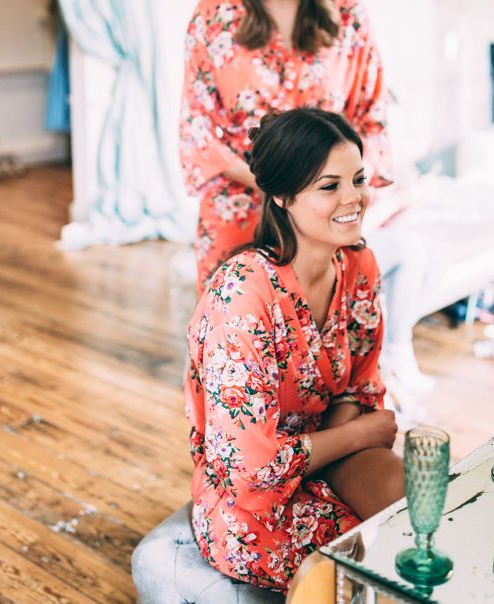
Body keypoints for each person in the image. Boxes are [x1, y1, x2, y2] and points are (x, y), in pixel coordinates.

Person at [184, 108, 403, 593]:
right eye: (329, 186)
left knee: (425, 515)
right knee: (369, 562)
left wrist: (349, 435)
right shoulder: (241, 296)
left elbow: (363, 387)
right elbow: (249, 472)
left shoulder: (359, 264)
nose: (353, 198)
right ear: (282, 196)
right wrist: (355, 436)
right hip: (249, 505)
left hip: (329, 450)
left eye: (358, 179)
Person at [179, 0, 392, 296]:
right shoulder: (214, 14)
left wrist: (337, 186)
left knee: (325, 327)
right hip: (240, 201)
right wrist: (279, 186)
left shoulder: (347, 12)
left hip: (325, 208)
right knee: (233, 321)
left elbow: (371, 118)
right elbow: (197, 126)